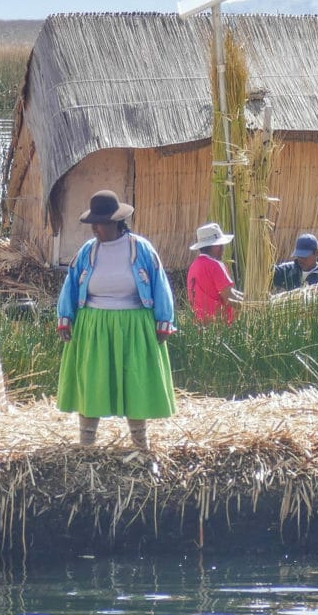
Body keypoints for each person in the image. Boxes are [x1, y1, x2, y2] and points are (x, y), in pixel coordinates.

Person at [55, 189, 177, 451]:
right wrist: (65, 318)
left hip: (135, 324)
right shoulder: (88, 252)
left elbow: (159, 283)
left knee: (136, 379)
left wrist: (164, 321)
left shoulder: (141, 249)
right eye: (93, 224)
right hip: (94, 325)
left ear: (115, 222)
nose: (95, 229)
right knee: (92, 379)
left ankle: (140, 443)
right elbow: (71, 284)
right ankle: (87, 443)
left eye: (100, 223)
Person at [185, 222, 241, 325]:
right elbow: (229, 297)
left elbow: (230, 291)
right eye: (222, 245)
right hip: (218, 329)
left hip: (200, 328)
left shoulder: (193, 266)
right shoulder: (215, 265)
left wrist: (248, 297)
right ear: (216, 246)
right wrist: (252, 306)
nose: (223, 249)